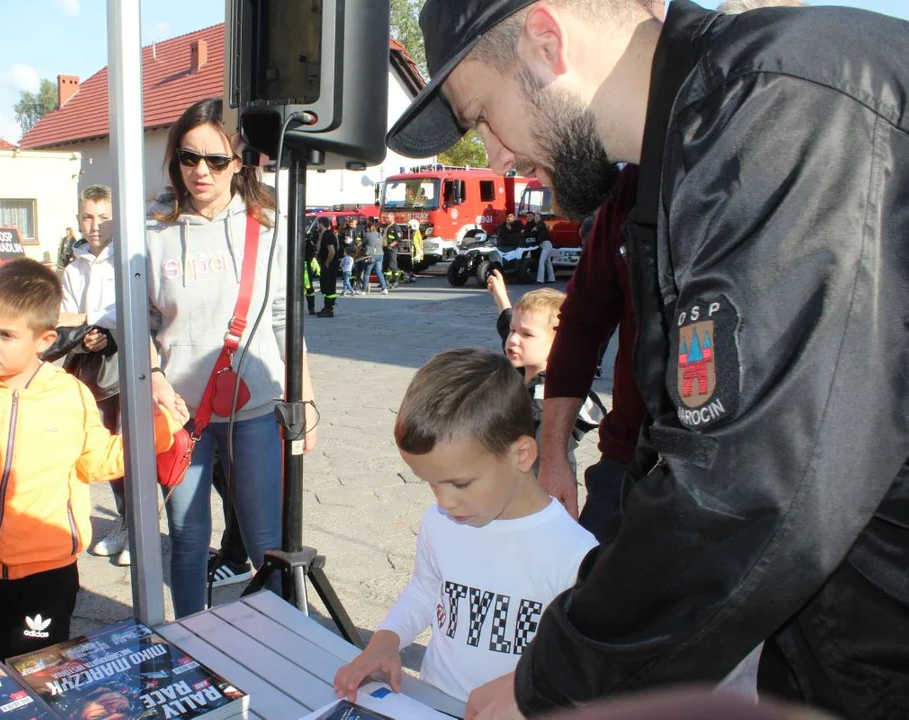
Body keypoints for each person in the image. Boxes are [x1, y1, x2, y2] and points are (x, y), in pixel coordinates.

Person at [386, 0, 909, 717]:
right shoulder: (688, 160)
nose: (497, 158)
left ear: (545, 39)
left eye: (481, 117)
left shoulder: (785, 105)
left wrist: (554, 682)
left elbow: (756, 486)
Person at [0, 259, 183, 661]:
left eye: (6, 335)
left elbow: (96, 461)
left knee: (44, 664)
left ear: (44, 339)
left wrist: (160, 430)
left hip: (49, 568)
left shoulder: (68, 395)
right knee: (3, 657)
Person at [332, 348, 596, 702]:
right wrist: (386, 639)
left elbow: (581, 664)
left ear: (522, 455)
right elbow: (427, 589)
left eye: (459, 483)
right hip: (433, 700)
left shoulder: (575, 554)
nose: (444, 502)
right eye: (430, 482)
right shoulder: (441, 522)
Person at [145, 97, 319, 617]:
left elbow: (288, 319)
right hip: (180, 412)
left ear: (239, 161)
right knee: (187, 534)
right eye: (188, 157)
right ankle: (193, 642)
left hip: (255, 404)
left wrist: (304, 400)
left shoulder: (265, 224)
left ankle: (273, 643)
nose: (201, 171)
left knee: (266, 537)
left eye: (216, 160)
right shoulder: (152, 230)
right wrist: (153, 376)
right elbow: (140, 321)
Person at [538, 166, 645, 542]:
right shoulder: (632, 186)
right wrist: (553, 456)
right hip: (630, 463)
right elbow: (582, 321)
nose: (507, 163)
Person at [57, 184, 131, 567]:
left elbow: (128, 310)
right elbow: (64, 317)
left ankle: (140, 525)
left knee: (131, 442)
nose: (95, 224)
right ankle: (124, 518)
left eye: (104, 217)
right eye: (88, 216)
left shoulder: (128, 259)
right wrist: (85, 333)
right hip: (91, 365)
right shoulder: (73, 267)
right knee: (102, 446)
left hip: (127, 363)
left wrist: (90, 321)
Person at [487, 271, 603, 479]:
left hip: (539, 486)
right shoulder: (524, 365)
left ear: (558, 344)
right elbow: (507, 324)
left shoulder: (549, 396)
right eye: (514, 330)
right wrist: (501, 297)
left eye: (526, 334)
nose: (513, 340)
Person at [316, 216, 340, 317]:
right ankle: (326, 307)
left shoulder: (328, 235)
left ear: (321, 224)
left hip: (329, 266)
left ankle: (329, 310)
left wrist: (327, 263)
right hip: (327, 265)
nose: (317, 226)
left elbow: (332, 251)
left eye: (318, 224)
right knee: (326, 287)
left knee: (330, 288)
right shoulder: (325, 234)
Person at [359, 220, 389, 295]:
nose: (366, 229)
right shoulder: (379, 235)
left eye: (366, 228)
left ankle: (363, 290)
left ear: (369, 228)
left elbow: (362, 245)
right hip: (380, 255)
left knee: (366, 273)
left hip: (371, 256)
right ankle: (384, 288)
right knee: (379, 272)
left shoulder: (367, 235)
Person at [535, 217, 555, 284]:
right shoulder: (540, 225)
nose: (535, 218)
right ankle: (551, 278)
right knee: (548, 262)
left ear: (540, 218)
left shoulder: (541, 224)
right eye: (535, 217)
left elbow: (538, 228)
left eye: (537, 217)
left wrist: (535, 229)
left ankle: (540, 280)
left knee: (541, 262)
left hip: (546, 245)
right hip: (546, 245)